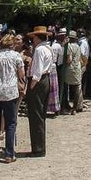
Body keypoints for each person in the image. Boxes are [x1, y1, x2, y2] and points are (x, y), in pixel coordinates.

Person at [0, 33, 25, 163]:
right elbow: (21, 73)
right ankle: (9, 154)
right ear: (12, 44)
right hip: (9, 92)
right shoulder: (16, 56)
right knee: (10, 123)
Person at [26, 26, 53, 156]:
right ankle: (39, 147)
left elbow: (37, 70)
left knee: (35, 115)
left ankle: (37, 148)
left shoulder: (40, 50)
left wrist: (31, 85)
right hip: (46, 79)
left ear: (37, 37)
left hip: (38, 81)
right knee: (40, 114)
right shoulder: (48, 48)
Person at [62, 31, 85, 114]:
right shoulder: (78, 46)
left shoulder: (68, 46)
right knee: (77, 88)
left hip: (70, 69)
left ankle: (66, 105)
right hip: (77, 68)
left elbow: (69, 59)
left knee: (65, 86)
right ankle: (75, 108)